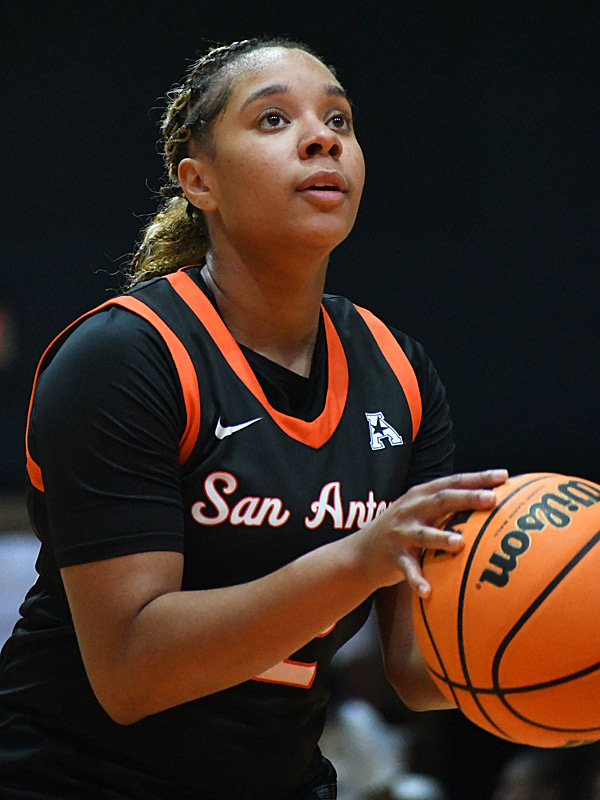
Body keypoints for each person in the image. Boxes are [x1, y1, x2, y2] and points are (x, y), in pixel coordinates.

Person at [0, 37, 507, 799]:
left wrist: (553, 639)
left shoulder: (397, 370)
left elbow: (416, 668)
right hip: (77, 779)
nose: (321, 136)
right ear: (198, 183)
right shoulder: (125, 356)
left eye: (339, 118)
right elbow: (131, 673)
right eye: (273, 119)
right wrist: (355, 562)